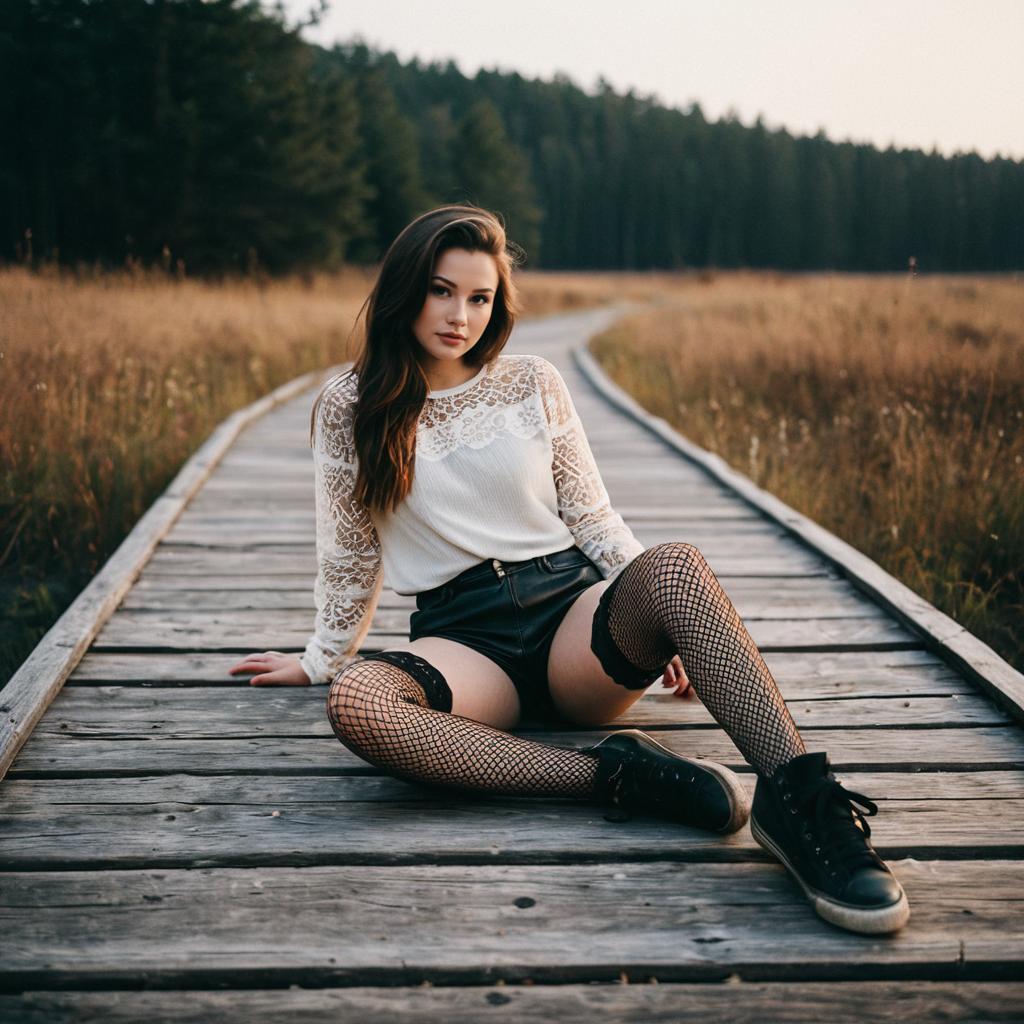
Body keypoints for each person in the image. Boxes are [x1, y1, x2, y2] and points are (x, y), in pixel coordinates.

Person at [229, 204, 909, 936]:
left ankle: (800, 803)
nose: (461, 315)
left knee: (675, 567)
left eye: (480, 297)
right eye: (440, 290)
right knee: (360, 703)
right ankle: (619, 777)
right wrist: (322, 657)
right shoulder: (349, 404)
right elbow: (351, 550)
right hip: (463, 641)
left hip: (570, 620)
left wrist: (666, 617)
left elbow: (592, 517)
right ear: (405, 289)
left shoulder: (531, 381)